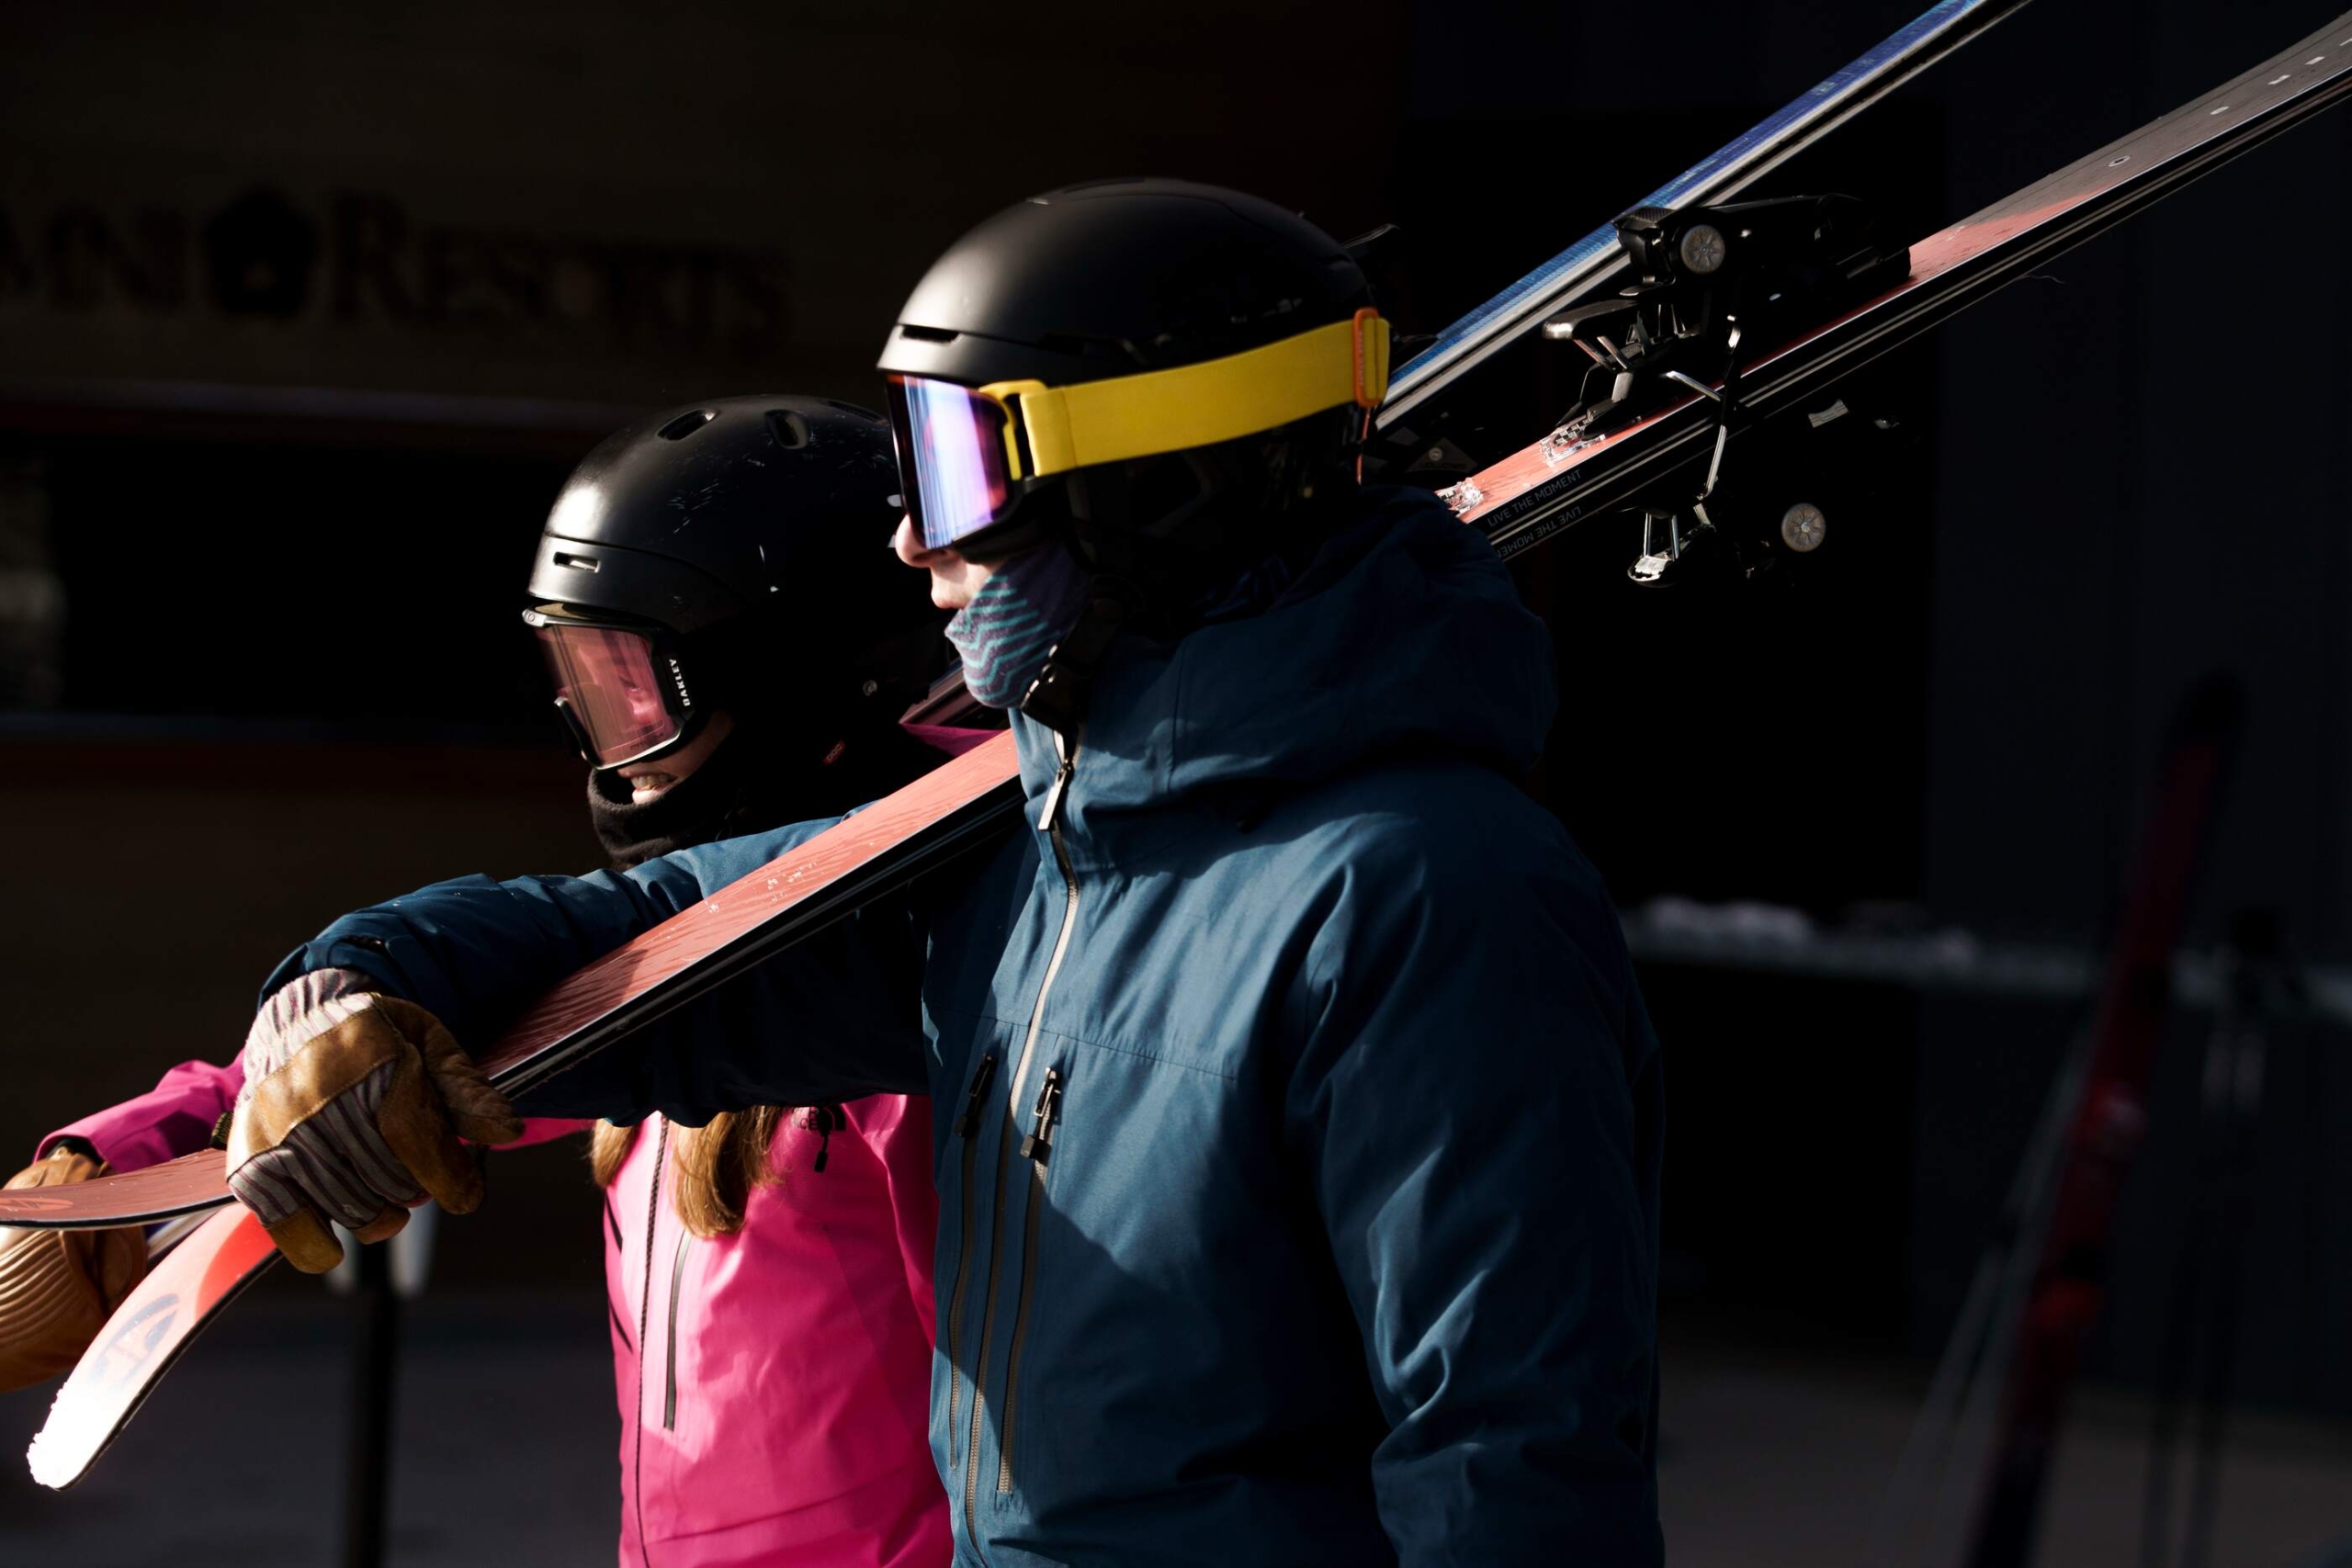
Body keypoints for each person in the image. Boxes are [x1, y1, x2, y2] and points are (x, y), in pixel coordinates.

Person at [216, 180, 1667, 1565]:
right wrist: (355, 981)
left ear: (1151, 489)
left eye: (962, 469)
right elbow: (661, 928)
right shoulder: (1021, 851)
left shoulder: (1424, 892)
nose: (912, 538)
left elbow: (1509, 1462)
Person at [0, 395, 966, 1568]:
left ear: (805, 682)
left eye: (639, 692)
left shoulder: (924, 965)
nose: (607, 741)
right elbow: (433, 1046)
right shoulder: (678, 939)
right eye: (583, 683)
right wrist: (117, 1181)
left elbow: (1009, 1429)